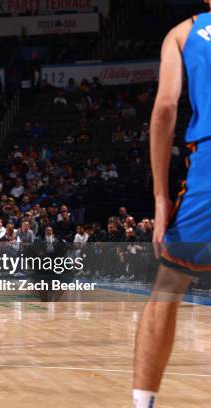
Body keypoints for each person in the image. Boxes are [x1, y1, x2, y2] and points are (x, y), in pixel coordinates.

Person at [133, 8, 211, 407]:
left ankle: (143, 403)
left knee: (168, 287)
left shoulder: (183, 34)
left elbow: (165, 108)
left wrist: (162, 200)